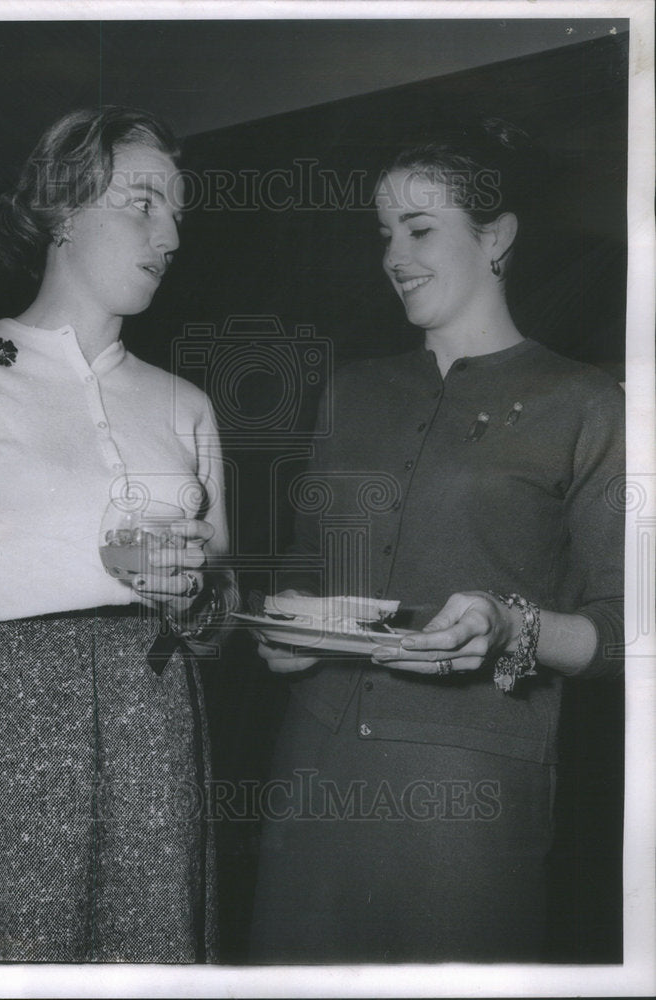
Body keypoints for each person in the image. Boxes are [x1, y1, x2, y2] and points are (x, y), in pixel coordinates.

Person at [249, 118, 624, 963]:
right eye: (385, 234)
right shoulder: (351, 391)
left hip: (471, 786)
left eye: (419, 230)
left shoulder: (588, 403)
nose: (394, 255)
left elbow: (628, 631)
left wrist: (508, 624)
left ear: (496, 237)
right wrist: (285, 629)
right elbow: (307, 579)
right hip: (315, 762)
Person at [0, 106, 231, 962]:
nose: (171, 234)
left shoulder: (186, 407)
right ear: (64, 206)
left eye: (178, 212)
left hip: (157, 744)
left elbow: (221, 629)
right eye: (144, 202)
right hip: (0, 748)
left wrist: (191, 599)